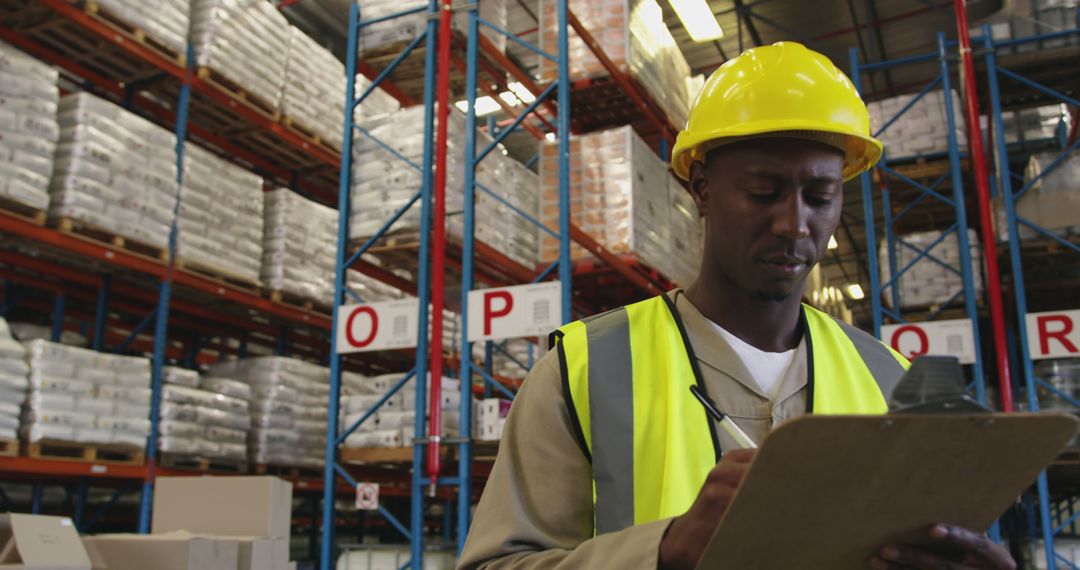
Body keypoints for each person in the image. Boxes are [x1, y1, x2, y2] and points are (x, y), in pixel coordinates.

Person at [457, 42, 1015, 570]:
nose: (795, 224)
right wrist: (664, 550)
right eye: (764, 192)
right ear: (701, 187)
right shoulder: (584, 371)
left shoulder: (892, 381)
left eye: (819, 197)